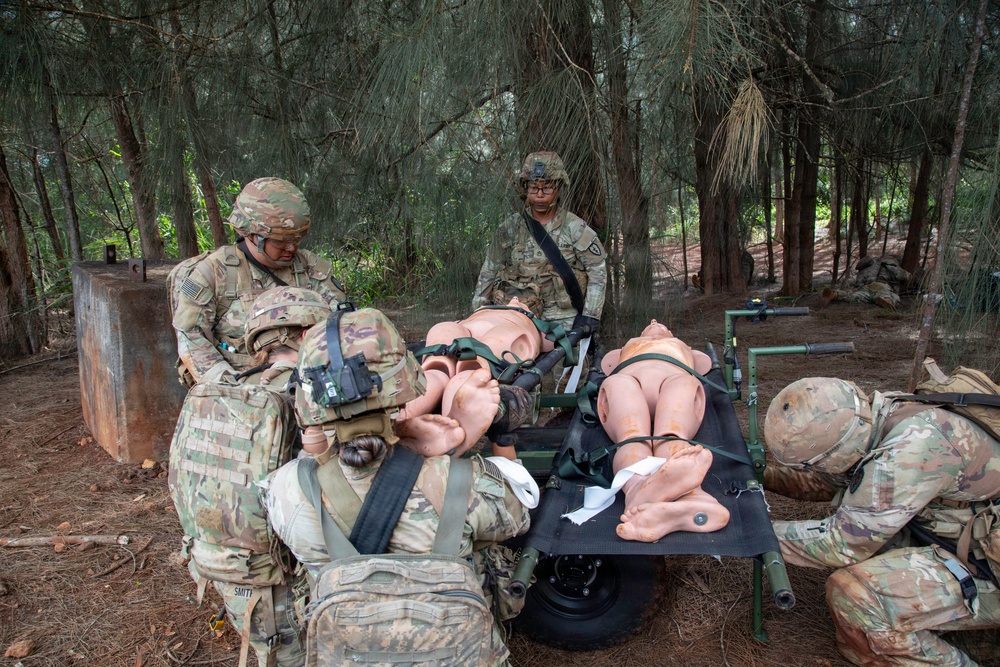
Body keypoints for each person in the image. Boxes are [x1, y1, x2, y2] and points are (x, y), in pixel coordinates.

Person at [264, 307, 537, 666]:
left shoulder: (288, 488)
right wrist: (474, 442)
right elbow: (519, 516)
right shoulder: (460, 481)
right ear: (405, 380)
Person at [765, 376, 1000, 667]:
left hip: (988, 565)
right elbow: (830, 480)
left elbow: (842, 543)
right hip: (963, 538)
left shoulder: (911, 447)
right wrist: (763, 475)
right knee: (857, 642)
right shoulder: (874, 416)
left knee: (856, 598)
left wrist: (755, 534)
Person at [169, 287, 333, 667]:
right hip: (283, 582)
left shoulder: (231, 392)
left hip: (223, 567)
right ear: (307, 335)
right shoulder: (306, 397)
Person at [172, 177, 346, 385]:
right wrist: (234, 388)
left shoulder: (311, 270)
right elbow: (192, 341)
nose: (292, 248)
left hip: (311, 384)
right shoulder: (213, 274)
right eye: (281, 241)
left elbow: (342, 326)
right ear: (252, 235)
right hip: (240, 386)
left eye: (296, 239)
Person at [596, 321, 730, 542]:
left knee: (671, 433)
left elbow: (701, 365)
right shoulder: (627, 349)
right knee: (631, 436)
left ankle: (663, 494)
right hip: (628, 379)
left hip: (675, 377)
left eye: (662, 325)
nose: (654, 322)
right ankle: (661, 491)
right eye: (648, 325)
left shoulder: (682, 347)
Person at [396, 296, 550, 456]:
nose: (515, 297)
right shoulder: (528, 318)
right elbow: (554, 339)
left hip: (476, 326)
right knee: (467, 366)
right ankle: (448, 427)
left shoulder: (507, 314)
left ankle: (401, 417)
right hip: (503, 326)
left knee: (439, 368)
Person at [472, 151, 607, 331]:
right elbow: (489, 269)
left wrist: (590, 317)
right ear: (525, 188)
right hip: (517, 314)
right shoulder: (511, 227)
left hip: (562, 319)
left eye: (547, 188)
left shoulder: (574, 228)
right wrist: (479, 311)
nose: (540, 195)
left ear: (559, 188)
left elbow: (597, 270)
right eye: (534, 188)